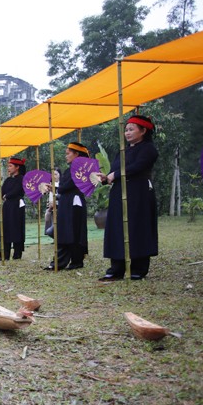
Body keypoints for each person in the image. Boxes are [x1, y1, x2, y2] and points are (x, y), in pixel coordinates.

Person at [96, 115, 159, 281]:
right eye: (126, 130)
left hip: (139, 193)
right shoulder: (122, 150)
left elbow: (137, 167)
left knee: (138, 227)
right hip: (119, 192)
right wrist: (106, 177)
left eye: (131, 129)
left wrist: (114, 175)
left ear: (144, 131)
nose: (127, 133)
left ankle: (139, 268)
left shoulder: (148, 149)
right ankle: (116, 268)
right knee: (117, 228)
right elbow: (115, 171)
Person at [44, 144, 89, 270]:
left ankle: (73, 261)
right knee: (68, 232)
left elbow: (66, 186)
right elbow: (64, 187)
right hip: (67, 202)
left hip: (73, 204)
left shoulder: (79, 168)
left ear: (77, 154)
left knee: (71, 232)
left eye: (68, 153)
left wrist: (55, 187)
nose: (66, 156)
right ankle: (67, 261)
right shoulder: (71, 169)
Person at [0, 157, 27, 260]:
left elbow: (17, 190)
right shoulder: (8, 180)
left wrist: (7, 195)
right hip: (7, 207)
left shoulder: (22, 179)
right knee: (5, 229)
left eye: (10, 166)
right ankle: (4, 255)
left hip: (17, 207)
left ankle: (17, 254)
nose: (8, 168)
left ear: (17, 167)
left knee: (16, 229)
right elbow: (1, 192)